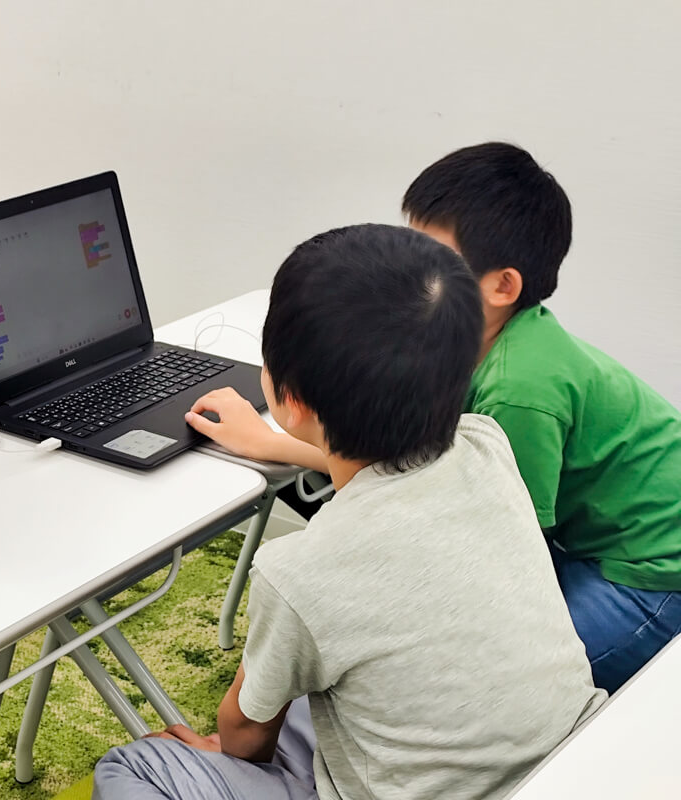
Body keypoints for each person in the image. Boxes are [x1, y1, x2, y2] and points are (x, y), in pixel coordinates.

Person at [95, 224, 605, 800]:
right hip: (571, 761)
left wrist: (226, 748)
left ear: (289, 400)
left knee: (131, 767)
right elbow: (384, 470)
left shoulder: (297, 572)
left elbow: (245, 739)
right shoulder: (486, 442)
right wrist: (272, 445)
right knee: (334, 681)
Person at [192, 143, 681, 692]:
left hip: (651, 574)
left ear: (503, 286)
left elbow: (507, 548)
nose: (410, 270)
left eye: (433, 258)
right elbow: (402, 462)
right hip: (589, 539)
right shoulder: (474, 343)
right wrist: (271, 442)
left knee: (504, 683)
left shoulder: (517, 392)